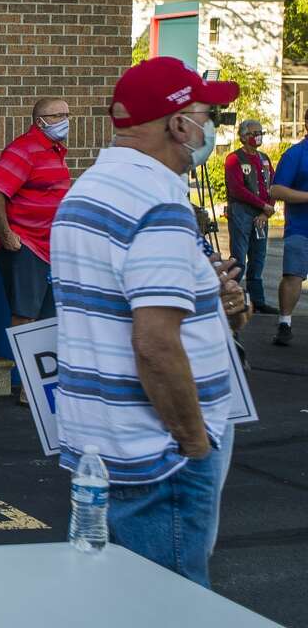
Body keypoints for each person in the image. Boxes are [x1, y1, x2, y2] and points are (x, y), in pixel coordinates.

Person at [52, 56, 249, 587]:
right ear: (179, 124)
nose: (212, 130)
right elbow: (155, 344)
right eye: (208, 115)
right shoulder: (158, 200)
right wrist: (193, 443)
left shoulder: (86, 192)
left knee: (121, 598)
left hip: (101, 444)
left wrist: (211, 298)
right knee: (175, 604)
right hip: (160, 454)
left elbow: (117, 308)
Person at [0, 97, 72, 404]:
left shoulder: (55, 150)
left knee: (47, 315)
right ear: (40, 121)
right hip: (26, 244)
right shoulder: (24, 148)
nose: (65, 119)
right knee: (26, 315)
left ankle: (43, 384)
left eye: (66, 114)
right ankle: (27, 386)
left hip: (49, 246)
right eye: (57, 115)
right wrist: (6, 233)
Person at [225, 119, 278, 315]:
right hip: (241, 211)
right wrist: (262, 205)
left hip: (261, 215)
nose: (259, 136)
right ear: (244, 136)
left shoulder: (264, 158)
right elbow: (237, 189)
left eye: (260, 132)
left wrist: (266, 211)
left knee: (258, 258)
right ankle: (229, 297)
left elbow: (273, 185)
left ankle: (258, 301)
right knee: (239, 257)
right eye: (255, 133)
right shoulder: (234, 159)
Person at [271, 108, 308, 346]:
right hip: (301, 229)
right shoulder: (296, 154)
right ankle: (284, 323)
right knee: (293, 276)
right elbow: (275, 190)